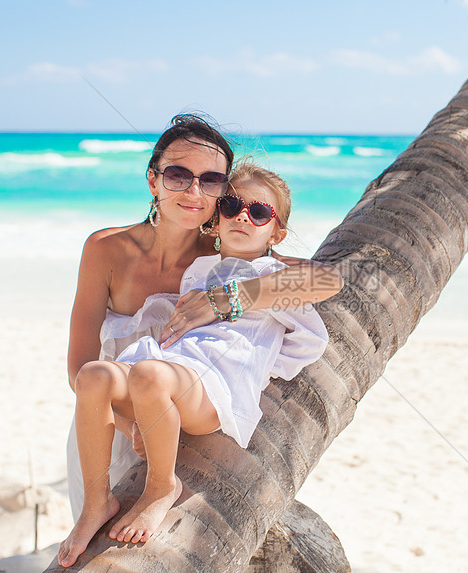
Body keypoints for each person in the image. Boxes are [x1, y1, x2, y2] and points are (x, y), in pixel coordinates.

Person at [58, 115, 343, 567]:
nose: (194, 192)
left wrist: (228, 298)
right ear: (153, 179)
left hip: (186, 406)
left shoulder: (226, 256)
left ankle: (159, 486)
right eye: (177, 175)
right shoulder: (105, 249)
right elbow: (79, 366)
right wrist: (135, 427)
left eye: (210, 181)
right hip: (111, 420)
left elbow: (323, 281)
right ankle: (96, 506)